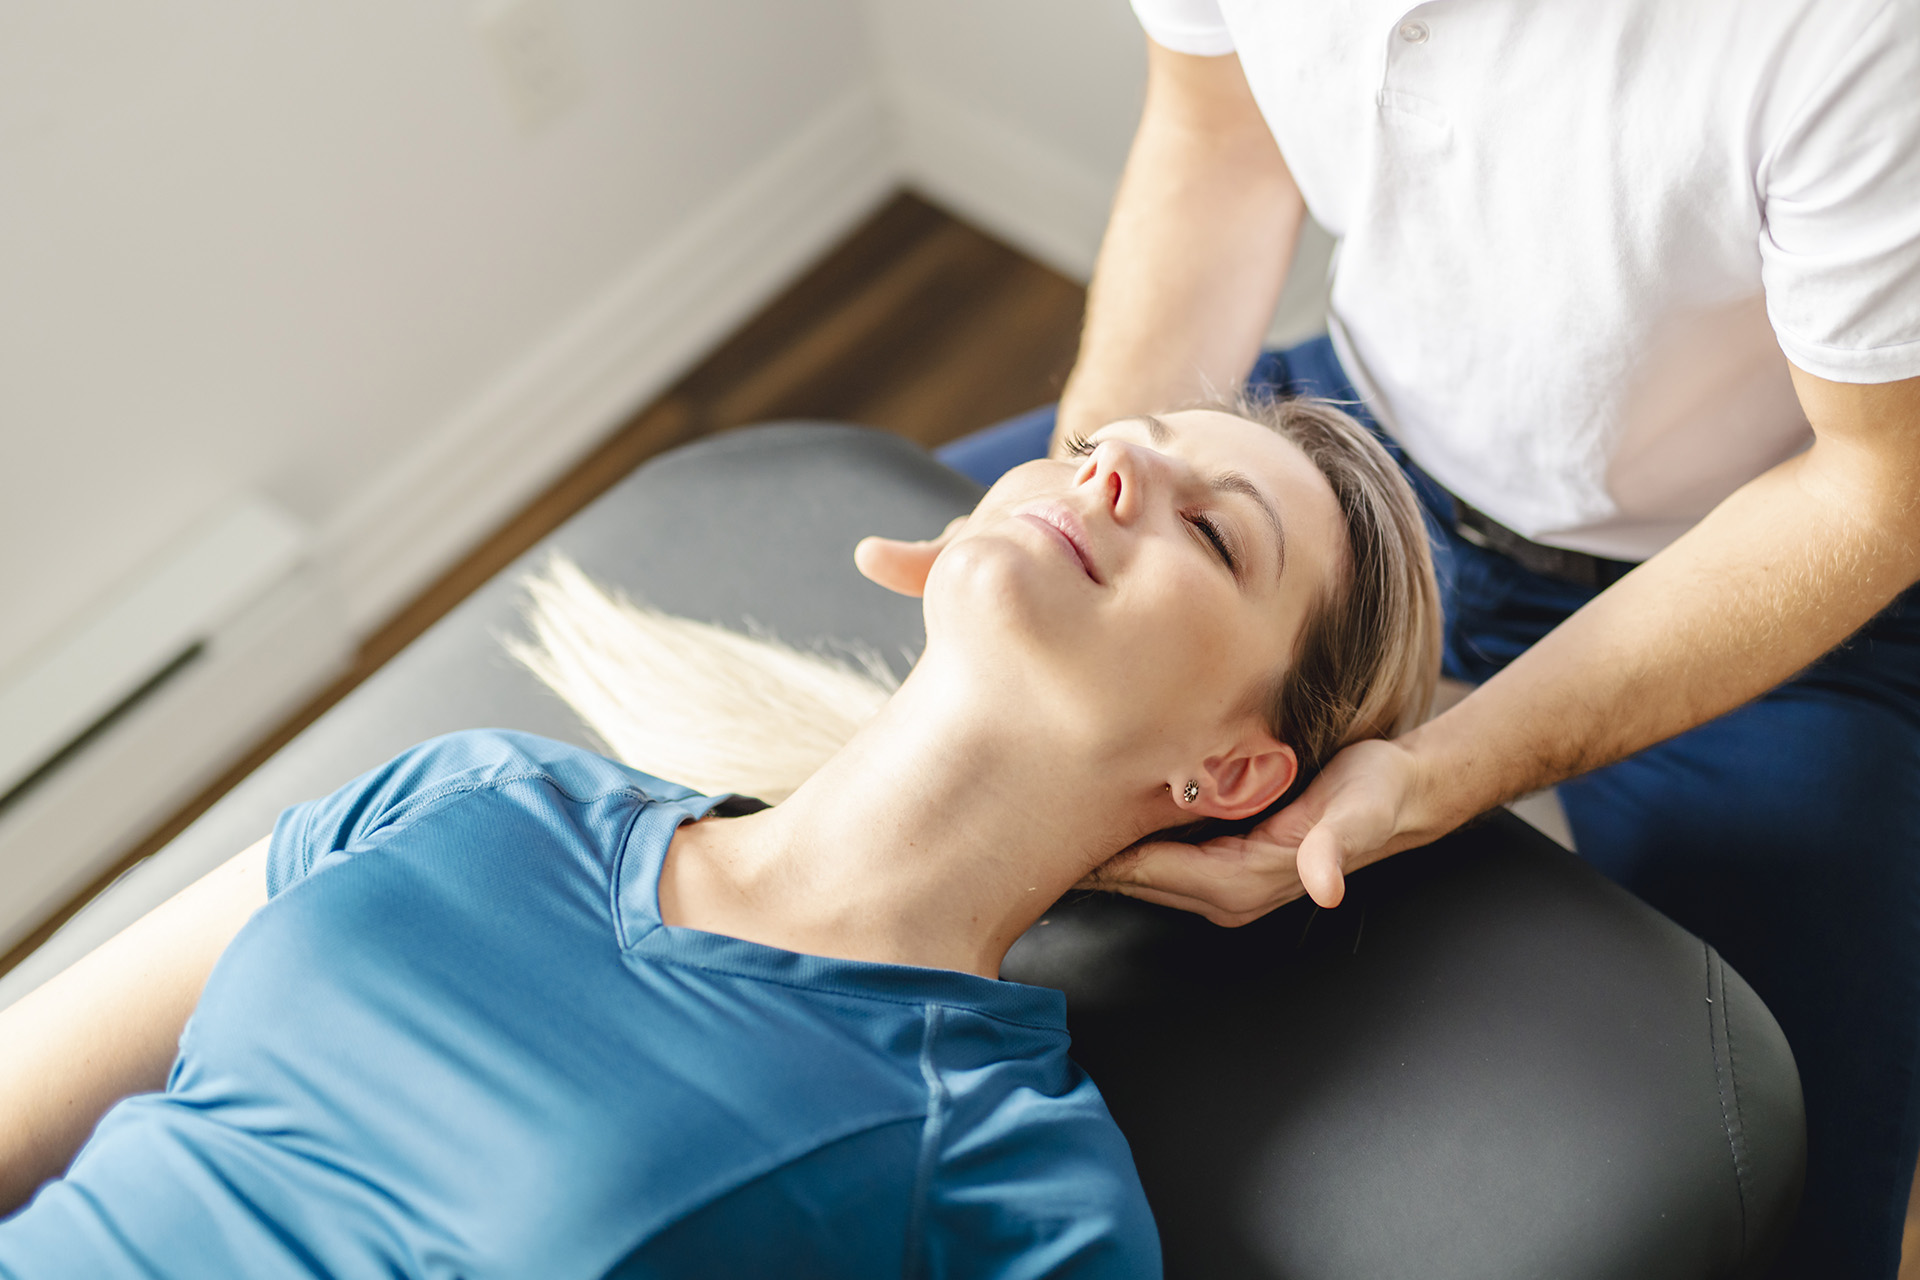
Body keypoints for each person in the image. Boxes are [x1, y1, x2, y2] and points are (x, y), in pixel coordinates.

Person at [0, 400, 1440, 1278]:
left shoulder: (1005, 1186)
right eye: (1098, 445)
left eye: (1215, 533)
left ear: (1229, 773)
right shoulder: (469, 792)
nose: (1115, 468)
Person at [932, 3, 1920, 1273]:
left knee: (1792, 1208)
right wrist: (1068, 513)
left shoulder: (1855, 36)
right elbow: (1217, 137)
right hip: (1356, 449)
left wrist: (1440, 776)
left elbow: (1874, 488)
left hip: (1763, 558)